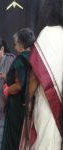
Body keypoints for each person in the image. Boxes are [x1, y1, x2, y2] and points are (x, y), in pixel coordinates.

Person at [19, 0, 63, 150]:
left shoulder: (48, 33)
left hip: (49, 104)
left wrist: (27, 100)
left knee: (48, 140)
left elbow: (36, 75)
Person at [1, 28, 35, 150]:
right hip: (29, 105)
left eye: (15, 44)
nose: (15, 48)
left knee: (14, 139)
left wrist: (6, 90)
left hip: (17, 106)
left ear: (21, 44)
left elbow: (19, 85)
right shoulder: (35, 58)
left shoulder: (21, 59)